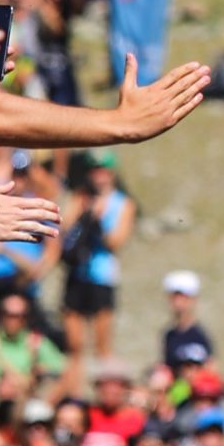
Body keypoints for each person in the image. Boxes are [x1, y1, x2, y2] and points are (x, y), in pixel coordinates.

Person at [59, 150, 134, 395]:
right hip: (77, 275)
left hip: (102, 276)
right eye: (95, 171)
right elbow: (64, 228)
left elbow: (116, 241)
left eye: (103, 170)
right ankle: (74, 396)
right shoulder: (79, 197)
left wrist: (98, 222)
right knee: (75, 346)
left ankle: (106, 394)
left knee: (102, 344)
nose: (99, 176)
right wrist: (84, 213)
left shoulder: (123, 203)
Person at [161, 270, 214, 375]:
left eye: (183, 297)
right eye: (174, 297)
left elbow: (210, 368)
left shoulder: (200, 335)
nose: (178, 302)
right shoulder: (169, 335)